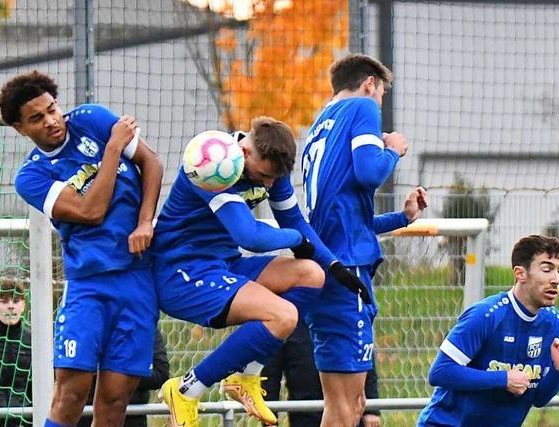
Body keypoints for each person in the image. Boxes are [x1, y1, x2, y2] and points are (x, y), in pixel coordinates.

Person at [152, 116, 368, 427]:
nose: (268, 184)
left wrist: (334, 265)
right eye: (265, 176)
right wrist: (297, 240)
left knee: (311, 274)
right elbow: (250, 236)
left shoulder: (271, 169)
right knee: (283, 316)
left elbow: (295, 221)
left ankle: (245, 376)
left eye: (274, 179)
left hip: (223, 264)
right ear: (246, 152)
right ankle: (186, 390)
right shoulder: (215, 162)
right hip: (183, 273)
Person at [0, 70, 163, 427]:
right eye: (37, 118)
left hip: (137, 280)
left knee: (116, 398)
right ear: (20, 128)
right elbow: (91, 210)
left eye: (52, 109)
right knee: (71, 394)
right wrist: (114, 148)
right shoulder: (31, 176)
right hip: (88, 286)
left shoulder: (93, 119)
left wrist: (146, 221)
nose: (52, 121)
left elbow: (152, 162)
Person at [301, 53, 428, 427]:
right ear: (370, 83)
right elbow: (371, 171)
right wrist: (393, 149)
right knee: (343, 407)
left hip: (331, 262)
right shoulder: (361, 107)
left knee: (349, 404)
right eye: (382, 96)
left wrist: (402, 218)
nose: (380, 105)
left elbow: (345, 216)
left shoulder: (320, 124)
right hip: (346, 273)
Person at [417, 235, 559, 427]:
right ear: (520, 274)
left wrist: (558, 371)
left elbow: (538, 398)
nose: (556, 279)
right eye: (547, 269)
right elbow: (440, 372)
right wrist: (502, 379)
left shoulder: (552, 321)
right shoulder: (487, 315)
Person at [261, 319, 381, 427]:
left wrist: (372, 410)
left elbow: (365, 358)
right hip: (305, 412)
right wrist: (269, 421)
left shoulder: (343, 316)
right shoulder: (287, 322)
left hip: (348, 408)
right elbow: (270, 376)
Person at [77, 329, 169, 427]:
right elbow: (67, 374)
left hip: (132, 416)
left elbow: (161, 374)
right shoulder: (87, 323)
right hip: (87, 414)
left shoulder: (144, 327)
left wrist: (120, 371)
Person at [0, 278, 32, 427]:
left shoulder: (33, 339)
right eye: (4, 301)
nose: (11, 306)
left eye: (16, 301)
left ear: (23, 305)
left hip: (22, 419)